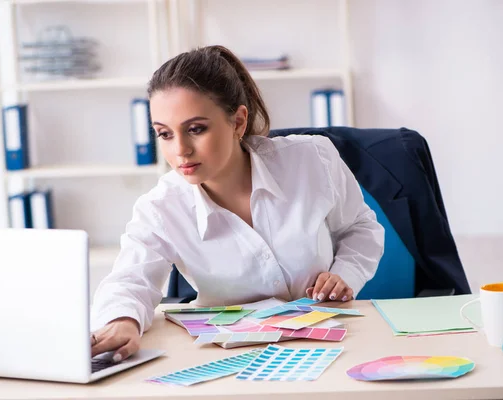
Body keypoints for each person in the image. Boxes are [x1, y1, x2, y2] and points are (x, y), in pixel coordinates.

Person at [90, 45, 384, 362]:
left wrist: (345, 274)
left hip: (332, 345)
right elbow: (130, 280)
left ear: (238, 121)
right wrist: (122, 321)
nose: (181, 150)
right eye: (164, 134)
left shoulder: (312, 159)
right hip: (231, 357)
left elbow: (361, 228)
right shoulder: (161, 207)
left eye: (196, 129)